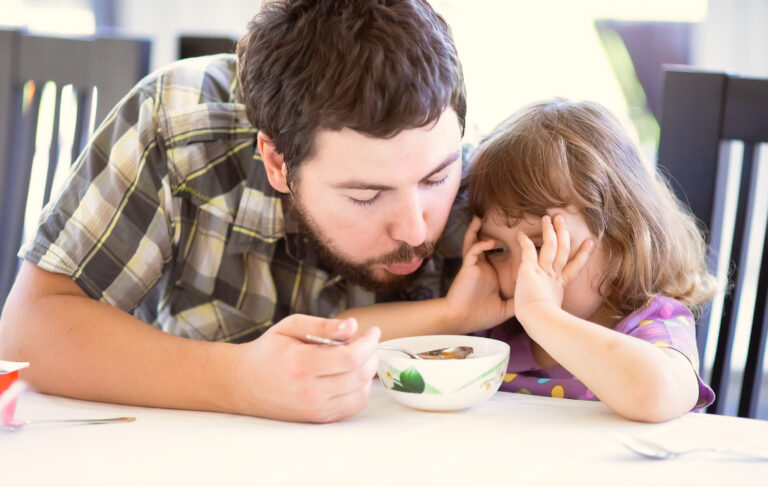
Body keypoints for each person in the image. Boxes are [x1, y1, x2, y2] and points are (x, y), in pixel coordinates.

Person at [0, 0, 470, 423]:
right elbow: (26, 332)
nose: (414, 229)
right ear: (277, 162)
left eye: (436, 178)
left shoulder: (486, 181)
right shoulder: (178, 124)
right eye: (366, 195)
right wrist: (239, 378)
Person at [344, 99, 718, 423]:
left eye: (541, 245)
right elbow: (343, 342)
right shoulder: (499, 335)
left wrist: (544, 317)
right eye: (499, 250)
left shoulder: (652, 325)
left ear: (622, 233)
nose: (521, 274)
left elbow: (657, 395)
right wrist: (453, 315)